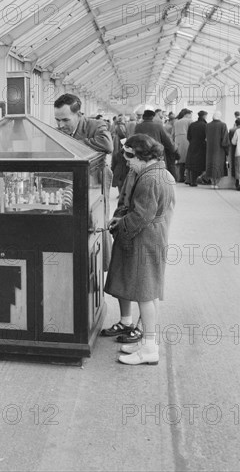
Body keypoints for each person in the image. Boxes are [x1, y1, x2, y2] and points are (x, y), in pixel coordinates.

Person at [101, 134, 176, 365]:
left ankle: (150, 348)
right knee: (150, 292)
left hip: (145, 240)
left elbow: (141, 215)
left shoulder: (149, 179)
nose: (127, 162)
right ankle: (147, 343)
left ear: (140, 155)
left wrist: (120, 226)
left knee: (144, 293)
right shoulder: (161, 173)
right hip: (155, 237)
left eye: (129, 156)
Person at [54, 93, 113, 271]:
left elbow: (107, 145)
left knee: (96, 221)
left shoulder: (96, 125)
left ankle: (101, 264)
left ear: (79, 114)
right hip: (70, 179)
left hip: (95, 180)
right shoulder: (58, 130)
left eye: (65, 120)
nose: (60, 125)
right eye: (57, 120)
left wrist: (72, 143)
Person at [134, 108, 178, 179]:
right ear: (152, 117)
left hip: (142, 154)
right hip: (156, 153)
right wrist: (173, 148)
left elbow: (135, 140)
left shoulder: (138, 126)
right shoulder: (158, 126)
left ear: (143, 117)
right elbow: (166, 140)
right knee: (157, 174)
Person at [205, 111, 230, 189]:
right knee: (219, 165)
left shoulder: (207, 125)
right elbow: (225, 140)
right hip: (219, 150)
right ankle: (216, 184)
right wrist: (227, 151)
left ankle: (212, 182)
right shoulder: (223, 125)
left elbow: (206, 137)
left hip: (209, 150)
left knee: (210, 165)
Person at [186, 110, 208, 186]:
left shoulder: (192, 124)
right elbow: (207, 137)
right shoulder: (205, 125)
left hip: (192, 145)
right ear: (204, 116)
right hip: (202, 146)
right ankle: (202, 179)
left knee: (193, 164)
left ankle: (192, 181)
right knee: (201, 164)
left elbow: (188, 137)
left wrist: (192, 142)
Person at [173, 108, 193, 183]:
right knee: (187, 160)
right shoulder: (189, 121)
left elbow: (172, 133)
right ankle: (187, 178)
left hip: (177, 140)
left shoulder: (176, 122)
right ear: (187, 114)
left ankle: (179, 177)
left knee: (179, 160)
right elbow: (191, 131)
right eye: (190, 114)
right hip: (186, 140)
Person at [228, 117, 240, 186]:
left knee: (235, 165)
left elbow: (230, 140)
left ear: (236, 123)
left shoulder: (232, 130)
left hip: (234, 149)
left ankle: (236, 181)